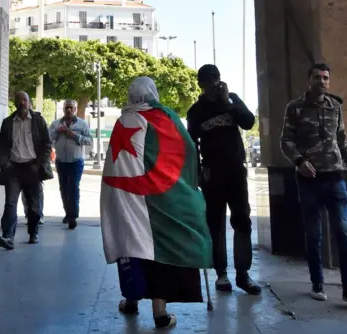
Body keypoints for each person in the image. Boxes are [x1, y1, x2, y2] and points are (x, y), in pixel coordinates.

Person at [100, 77, 212, 329]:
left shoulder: (121, 121)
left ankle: (131, 299)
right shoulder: (165, 118)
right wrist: (189, 185)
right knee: (157, 249)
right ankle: (159, 312)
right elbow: (187, 152)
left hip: (122, 196)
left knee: (129, 244)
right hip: (158, 198)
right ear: (153, 93)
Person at [280, 63, 347, 308]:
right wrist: (299, 161)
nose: (322, 81)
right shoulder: (295, 108)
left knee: (344, 232)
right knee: (314, 235)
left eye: (325, 78)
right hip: (309, 181)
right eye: (317, 77)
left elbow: (342, 140)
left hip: (336, 179)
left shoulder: (335, 107)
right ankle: (317, 284)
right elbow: (285, 141)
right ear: (309, 81)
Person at [187, 64, 261, 295]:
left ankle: (243, 275)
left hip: (236, 173)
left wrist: (229, 102)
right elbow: (191, 144)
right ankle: (221, 274)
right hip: (212, 175)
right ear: (201, 84)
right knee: (216, 225)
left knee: (242, 222)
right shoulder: (196, 111)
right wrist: (197, 172)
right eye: (209, 81)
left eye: (217, 79)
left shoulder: (232, 101)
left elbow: (249, 122)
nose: (214, 84)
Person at [0, 91, 53, 249]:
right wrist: (5, 164)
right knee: (10, 204)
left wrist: (40, 163)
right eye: (19, 100)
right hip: (13, 169)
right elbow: (2, 146)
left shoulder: (38, 121)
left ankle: (33, 232)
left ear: (29, 102)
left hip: (32, 168)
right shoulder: (8, 122)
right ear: (14, 103)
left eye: (25, 100)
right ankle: (8, 237)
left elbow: (47, 144)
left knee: (34, 206)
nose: (22, 103)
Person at [48, 100, 92, 229]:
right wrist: (57, 131)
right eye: (66, 107)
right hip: (61, 161)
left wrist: (75, 136)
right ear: (63, 109)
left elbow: (89, 141)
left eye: (71, 108)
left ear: (75, 109)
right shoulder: (56, 124)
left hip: (76, 161)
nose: (68, 110)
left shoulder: (82, 124)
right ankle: (68, 213)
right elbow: (47, 138)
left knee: (73, 188)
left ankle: (73, 216)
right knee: (63, 188)